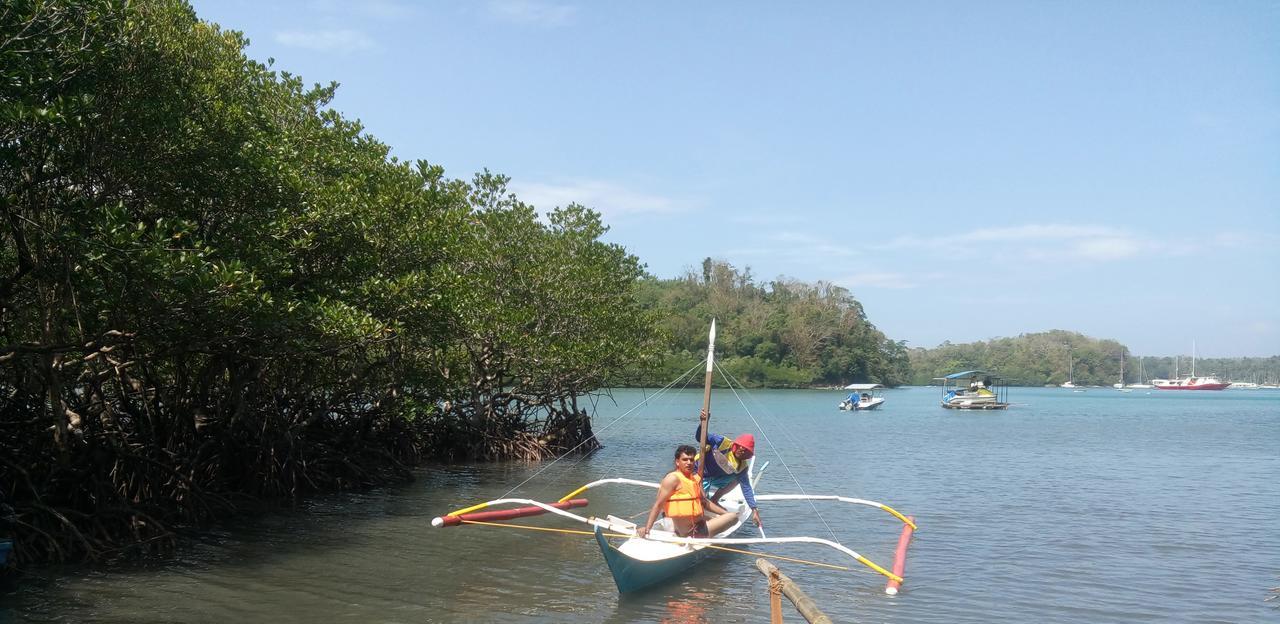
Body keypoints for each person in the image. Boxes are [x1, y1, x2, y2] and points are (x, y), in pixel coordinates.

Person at [636, 445, 738, 539]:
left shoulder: (694, 478)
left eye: (691, 460)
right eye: (684, 460)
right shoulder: (672, 479)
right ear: (677, 462)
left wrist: (725, 514)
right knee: (734, 517)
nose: (689, 463)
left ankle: (710, 528)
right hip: (691, 531)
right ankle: (703, 535)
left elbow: (704, 502)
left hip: (697, 524)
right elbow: (658, 505)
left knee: (720, 516)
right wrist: (647, 528)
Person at [694, 410, 763, 530]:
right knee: (701, 502)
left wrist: (754, 509)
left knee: (738, 479)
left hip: (715, 477)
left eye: (746, 452)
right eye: (741, 449)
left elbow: (746, 488)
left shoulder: (742, 466)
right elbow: (700, 438)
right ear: (737, 445)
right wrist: (703, 422)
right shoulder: (721, 442)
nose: (742, 452)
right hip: (700, 471)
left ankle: (715, 500)